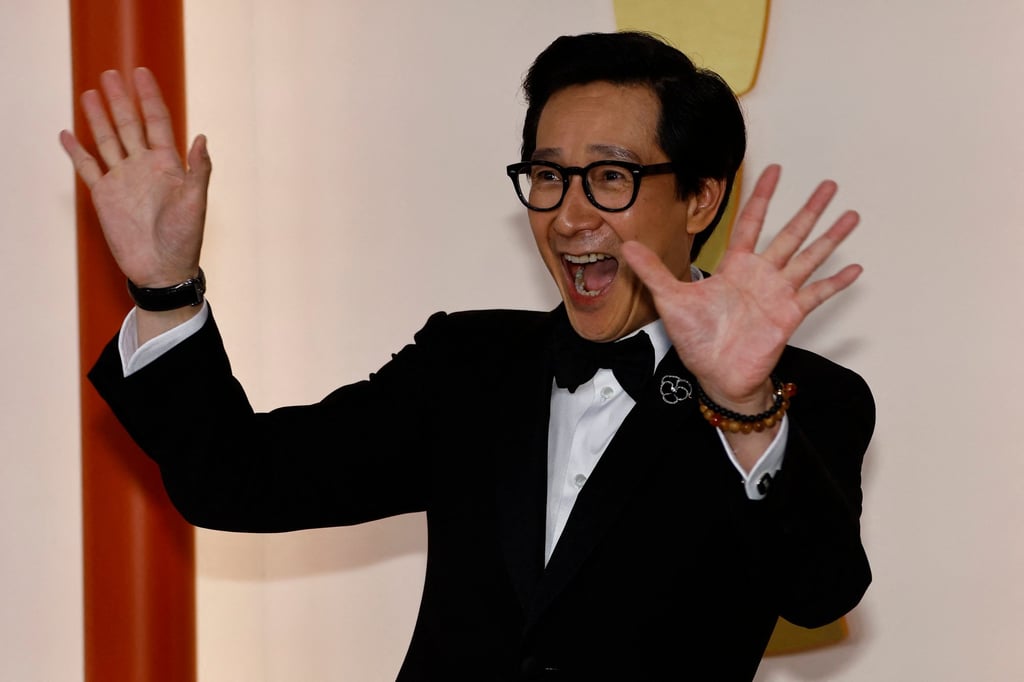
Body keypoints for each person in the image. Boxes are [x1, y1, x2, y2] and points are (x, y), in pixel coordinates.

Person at [61, 31, 873, 681]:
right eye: (549, 177)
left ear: (701, 197)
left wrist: (741, 406)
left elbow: (819, 592)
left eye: (612, 178)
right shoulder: (469, 363)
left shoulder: (806, 398)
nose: (569, 214)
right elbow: (240, 480)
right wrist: (166, 289)